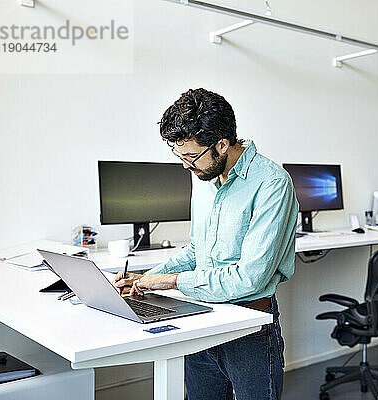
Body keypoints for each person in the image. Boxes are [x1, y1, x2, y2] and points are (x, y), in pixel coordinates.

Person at [112, 88, 298, 400]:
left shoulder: (271, 183)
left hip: (247, 327)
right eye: (179, 156)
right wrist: (146, 279)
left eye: (190, 156)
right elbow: (199, 250)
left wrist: (169, 282)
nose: (186, 166)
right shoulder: (204, 176)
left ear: (222, 144)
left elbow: (249, 278)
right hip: (202, 319)